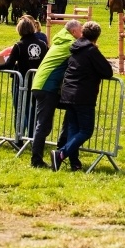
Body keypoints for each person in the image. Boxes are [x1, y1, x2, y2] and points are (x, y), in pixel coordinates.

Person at [51, 21, 113, 172]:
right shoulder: (91, 50)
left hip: (68, 93)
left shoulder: (75, 48)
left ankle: (74, 162)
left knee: (73, 128)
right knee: (86, 130)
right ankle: (61, 154)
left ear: (83, 33)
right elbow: (107, 72)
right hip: (83, 96)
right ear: (97, 37)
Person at [0, 17, 49, 145]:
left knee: (20, 110)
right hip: (37, 81)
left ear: (19, 30)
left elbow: (8, 65)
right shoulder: (43, 45)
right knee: (33, 112)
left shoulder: (18, 46)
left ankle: (19, 140)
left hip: (20, 81)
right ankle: (32, 139)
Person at [30, 19, 83, 169]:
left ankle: (62, 149)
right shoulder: (69, 44)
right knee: (44, 125)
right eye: (81, 31)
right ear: (74, 32)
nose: (82, 34)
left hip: (45, 85)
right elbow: (84, 51)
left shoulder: (62, 39)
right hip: (47, 86)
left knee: (71, 109)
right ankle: (36, 160)